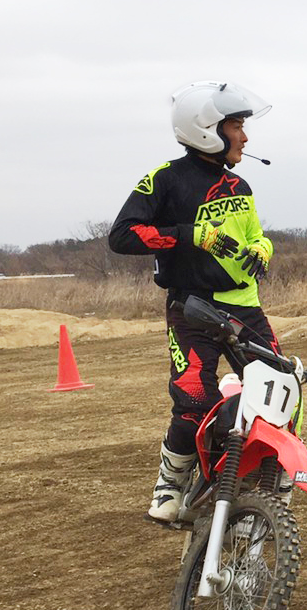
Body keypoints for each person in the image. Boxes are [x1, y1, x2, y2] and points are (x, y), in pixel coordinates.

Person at [109, 81, 280, 524]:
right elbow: (122, 235)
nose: (244, 136)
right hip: (193, 310)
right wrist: (189, 235)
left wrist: (264, 247)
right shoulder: (165, 181)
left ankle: (267, 477)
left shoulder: (239, 184)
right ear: (208, 129)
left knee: (280, 391)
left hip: (246, 309)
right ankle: (170, 483)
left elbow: (253, 234)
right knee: (194, 401)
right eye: (237, 126)